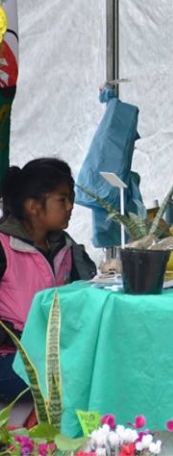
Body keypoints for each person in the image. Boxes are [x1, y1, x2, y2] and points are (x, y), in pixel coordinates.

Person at [0, 158, 96, 401]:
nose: (70, 206)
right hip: (9, 357)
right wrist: (20, 337)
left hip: (55, 354)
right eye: (62, 199)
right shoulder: (3, 246)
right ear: (34, 206)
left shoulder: (66, 246)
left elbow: (89, 289)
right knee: (72, 384)